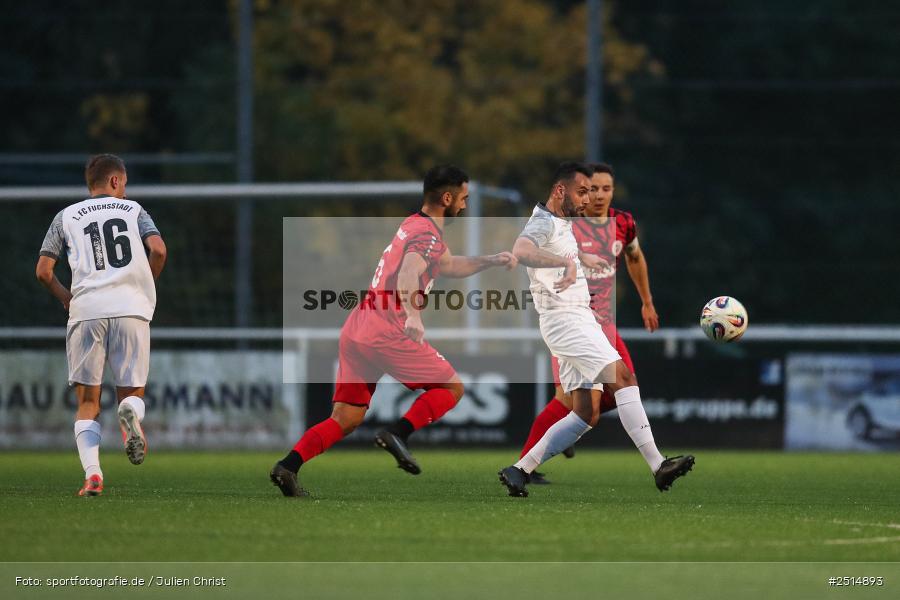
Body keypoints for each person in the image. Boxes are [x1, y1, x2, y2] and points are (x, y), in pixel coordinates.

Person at [270, 165, 517, 497]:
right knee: (452, 388)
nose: (465, 205)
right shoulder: (426, 235)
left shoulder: (415, 225)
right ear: (447, 197)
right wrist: (413, 315)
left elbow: (448, 265)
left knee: (346, 418)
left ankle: (288, 466)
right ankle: (398, 433)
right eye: (463, 198)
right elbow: (408, 273)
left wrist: (492, 260)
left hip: (359, 325)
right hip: (387, 327)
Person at [498, 162, 692, 498]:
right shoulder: (543, 221)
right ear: (561, 191)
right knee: (625, 380)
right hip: (567, 322)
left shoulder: (562, 222)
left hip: (576, 318)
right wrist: (567, 263)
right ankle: (659, 465)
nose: (588, 199)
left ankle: (519, 469)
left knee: (586, 414)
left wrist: (579, 263)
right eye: (582, 191)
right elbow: (522, 251)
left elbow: (570, 254)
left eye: (594, 191)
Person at [36, 154, 167, 497]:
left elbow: (43, 271)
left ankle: (93, 475)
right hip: (131, 309)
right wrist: (143, 285)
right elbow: (159, 250)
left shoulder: (65, 217)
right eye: (124, 183)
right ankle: (128, 412)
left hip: (87, 310)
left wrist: (66, 297)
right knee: (133, 392)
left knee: (87, 401)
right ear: (115, 181)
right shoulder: (134, 210)